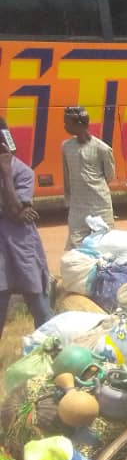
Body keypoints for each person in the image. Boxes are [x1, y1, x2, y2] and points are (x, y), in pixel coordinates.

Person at [0, 118, 51, 337]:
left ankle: (51, 348)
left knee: (37, 298)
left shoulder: (22, 172)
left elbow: (15, 209)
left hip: (21, 244)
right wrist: (15, 211)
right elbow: (15, 211)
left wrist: (5, 172)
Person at [60, 106, 115, 249]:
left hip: (100, 206)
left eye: (67, 123)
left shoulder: (102, 148)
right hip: (77, 207)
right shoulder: (66, 147)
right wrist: (69, 201)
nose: (65, 126)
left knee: (104, 244)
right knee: (76, 246)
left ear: (79, 124)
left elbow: (109, 176)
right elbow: (67, 176)